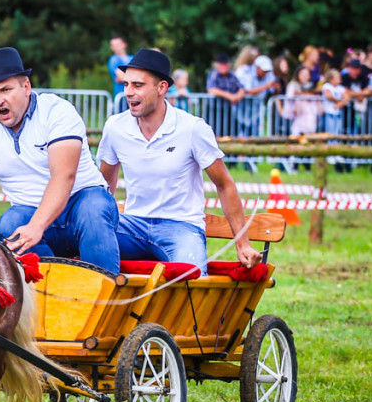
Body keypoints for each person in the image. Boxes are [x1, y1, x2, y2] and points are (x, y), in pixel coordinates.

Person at [0, 47, 120, 273]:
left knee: (94, 207)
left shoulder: (57, 111)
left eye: (5, 90)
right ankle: (51, 292)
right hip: (32, 212)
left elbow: (64, 176)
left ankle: (105, 293)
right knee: (10, 224)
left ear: (26, 87)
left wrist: (36, 226)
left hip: (80, 205)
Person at [97, 48, 261, 274]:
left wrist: (243, 245)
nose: (128, 92)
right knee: (81, 238)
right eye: (126, 84)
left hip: (180, 227)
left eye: (138, 85)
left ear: (162, 87)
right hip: (132, 225)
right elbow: (104, 187)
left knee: (192, 277)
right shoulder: (115, 127)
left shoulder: (192, 128)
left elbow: (225, 185)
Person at [235, 55, 281, 137]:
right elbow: (247, 91)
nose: (265, 73)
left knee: (253, 134)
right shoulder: (246, 72)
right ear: (257, 67)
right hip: (241, 110)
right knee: (239, 134)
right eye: (263, 70)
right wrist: (266, 86)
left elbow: (273, 90)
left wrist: (277, 87)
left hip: (256, 112)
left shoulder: (269, 75)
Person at [206, 53, 246, 137]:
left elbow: (241, 89)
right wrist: (229, 96)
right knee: (214, 132)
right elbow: (211, 89)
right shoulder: (214, 75)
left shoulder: (232, 75)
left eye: (225, 64)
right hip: (214, 110)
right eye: (222, 64)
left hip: (227, 109)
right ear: (216, 65)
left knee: (232, 131)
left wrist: (237, 96)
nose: (224, 67)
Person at [287, 65, 320, 137]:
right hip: (296, 120)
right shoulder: (293, 85)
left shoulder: (310, 87)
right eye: (303, 74)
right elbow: (291, 97)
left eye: (307, 74)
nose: (305, 77)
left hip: (310, 121)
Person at [340, 58, 369, 135]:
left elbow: (369, 90)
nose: (356, 71)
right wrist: (360, 94)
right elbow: (345, 91)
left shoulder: (363, 77)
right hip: (346, 109)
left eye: (358, 69)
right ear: (349, 68)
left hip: (359, 109)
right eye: (353, 68)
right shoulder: (344, 77)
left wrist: (354, 94)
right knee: (346, 127)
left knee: (359, 127)